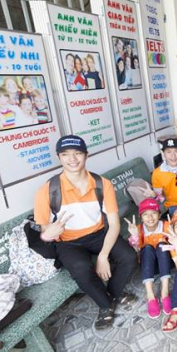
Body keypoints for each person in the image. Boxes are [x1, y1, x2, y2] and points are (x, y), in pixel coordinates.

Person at [33, 135, 136, 329]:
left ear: (86, 155)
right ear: (59, 157)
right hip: (68, 242)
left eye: (77, 153)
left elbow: (114, 224)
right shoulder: (47, 190)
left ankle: (113, 294)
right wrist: (49, 233)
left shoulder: (101, 184)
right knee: (81, 269)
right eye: (66, 154)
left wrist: (103, 256)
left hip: (98, 234)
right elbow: (45, 232)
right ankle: (106, 305)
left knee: (128, 257)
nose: (72, 159)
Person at [125, 198, 172, 318]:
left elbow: (175, 247)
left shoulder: (166, 226)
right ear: (141, 217)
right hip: (150, 267)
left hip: (166, 264)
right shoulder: (138, 229)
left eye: (153, 213)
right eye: (145, 214)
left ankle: (165, 292)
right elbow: (135, 253)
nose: (150, 218)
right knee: (146, 248)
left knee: (162, 245)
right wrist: (134, 236)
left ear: (159, 215)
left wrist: (172, 238)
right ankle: (150, 295)